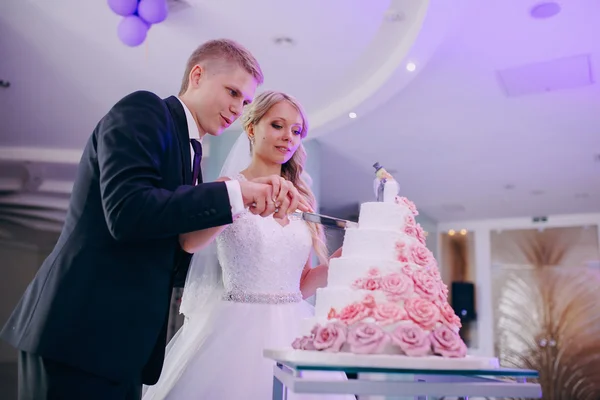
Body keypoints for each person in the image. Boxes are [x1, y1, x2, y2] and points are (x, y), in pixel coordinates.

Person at [1, 39, 309, 400]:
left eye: (243, 102)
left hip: (122, 345)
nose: (236, 109)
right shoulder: (145, 111)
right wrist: (236, 193)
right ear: (197, 75)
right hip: (80, 333)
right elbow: (127, 212)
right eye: (232, 92)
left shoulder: (192, 153)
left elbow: (173, 246)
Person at [141, 91, 354, 400]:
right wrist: (238, 198)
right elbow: (189, 243)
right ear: (252, 128)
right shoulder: (226, 188)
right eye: (278, 125)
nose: (288, 138)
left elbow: (301, 282)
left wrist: (341, 262)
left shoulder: (302, 200)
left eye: (296, 131)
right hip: (236, 330)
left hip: (294, 330)